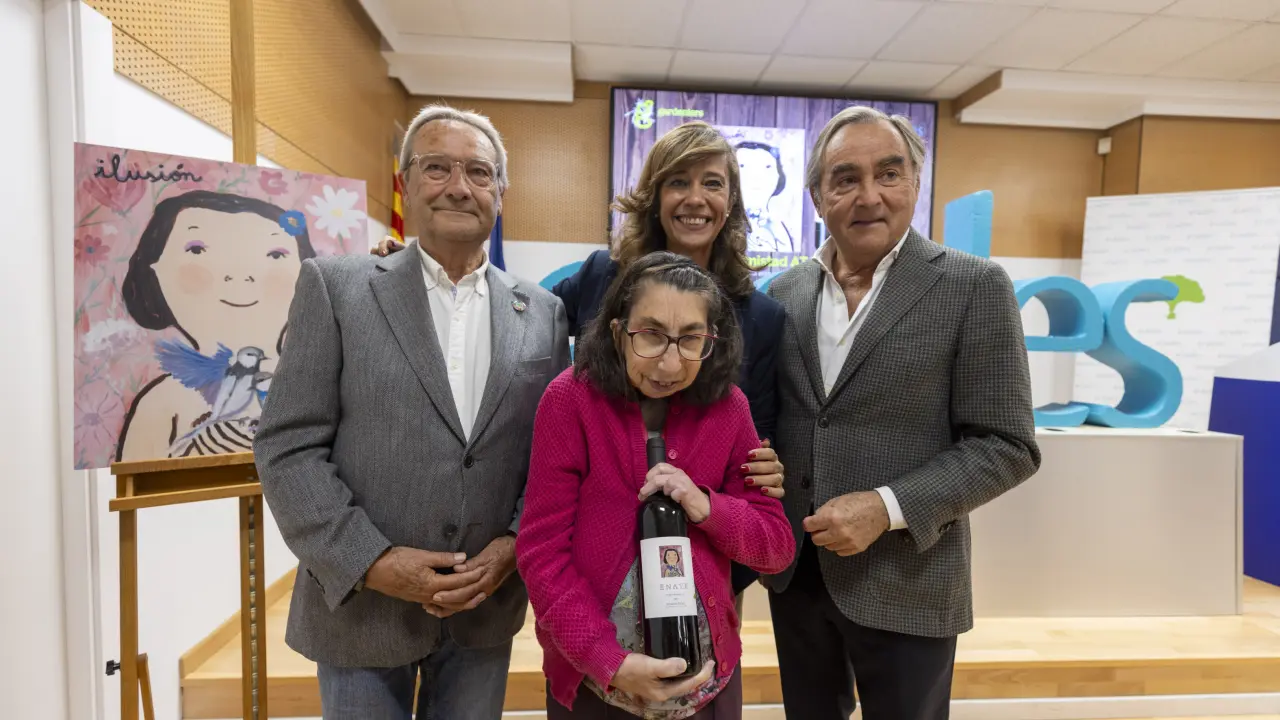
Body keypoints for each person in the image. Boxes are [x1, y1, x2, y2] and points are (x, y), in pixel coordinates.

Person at [375, 121, 788, 597]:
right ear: (655, 196)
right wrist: (420, 268)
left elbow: (759, 444)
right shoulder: (601, 275)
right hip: (593, 568)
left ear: (731, 200)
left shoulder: (762, 317)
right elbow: (516, 314)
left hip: (703, 565)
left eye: (712, 183)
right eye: (678, 181)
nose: (695, 198)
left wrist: (761, 469)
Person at [253, 104, 570, 719]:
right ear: (405, 183)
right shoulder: (336, 288)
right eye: (437, 167)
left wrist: (512, 548)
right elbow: (288, 445)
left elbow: (552, 456)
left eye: (479, 172)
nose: (459, 186)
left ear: (500, 193)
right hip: (361, 610)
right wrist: (371, 562)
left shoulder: (543, 312)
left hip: (483, 608)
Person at [762, 106, 1041, 719]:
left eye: (888, 173)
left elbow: (1007, 445)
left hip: (909, 580)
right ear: (817, 197)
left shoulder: (974, 287)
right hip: (797, 576)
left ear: (916, 182)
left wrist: (885, 507)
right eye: (845, 179)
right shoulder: (784, 293)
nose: (869, 196)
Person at [515, 251, 796, 719]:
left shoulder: (730, 409)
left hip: (706, 683)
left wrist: (707, 508)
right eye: (650, 335)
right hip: (595, 682)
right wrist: (609, 660)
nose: (669, 364)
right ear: (617, 332)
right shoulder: (569, 401)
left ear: (712, 340)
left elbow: (776, 547)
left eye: (691, 339)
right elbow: (542, 554)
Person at [117, 191, 315, 461]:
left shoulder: (315, 390)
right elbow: (137, 482)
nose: (240, 273)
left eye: (275, 254)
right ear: (155, 271)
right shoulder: (164, 402)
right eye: (197, 250)